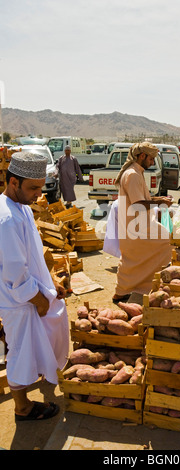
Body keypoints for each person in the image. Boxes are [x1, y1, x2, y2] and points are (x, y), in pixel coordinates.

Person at [0, 151, 69, 420]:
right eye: (33, 188)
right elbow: (15, 273)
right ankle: (22, 408)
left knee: (34, 348)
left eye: (41, 187)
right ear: (14, 182)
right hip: (21, 302)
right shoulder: (6, 220)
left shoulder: (23, 209)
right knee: (20, 354)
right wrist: (40, 300)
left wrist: (50, 282)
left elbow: (33, 254)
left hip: (34, 295)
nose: (39, 194)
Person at [112, 142, 173, 302]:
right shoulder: (132, 174)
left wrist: (159, 199)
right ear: (142, 156)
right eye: (151, 159)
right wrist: (160, 203)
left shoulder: (137, 172)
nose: (152, 162)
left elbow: (142, 199)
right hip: (136, 227)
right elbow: (138, 204)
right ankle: (125, 291)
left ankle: (134, 288)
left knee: (160, 244)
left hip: (142, 223)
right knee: (167, 243)